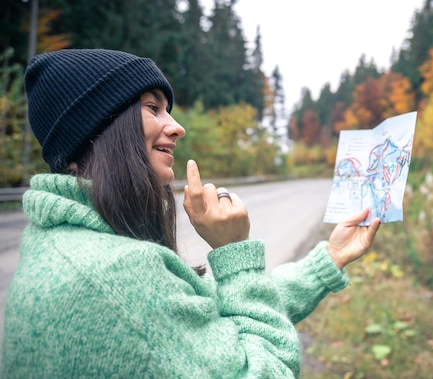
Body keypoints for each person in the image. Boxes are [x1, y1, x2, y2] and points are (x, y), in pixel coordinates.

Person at [1, 49, 381, 378]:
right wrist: (234, 253)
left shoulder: (65, 242)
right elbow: (264, 370)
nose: (177, 126)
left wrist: (329, 259)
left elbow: (208, 308)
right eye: (153, 108)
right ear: (99, 127)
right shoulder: (116, 274)